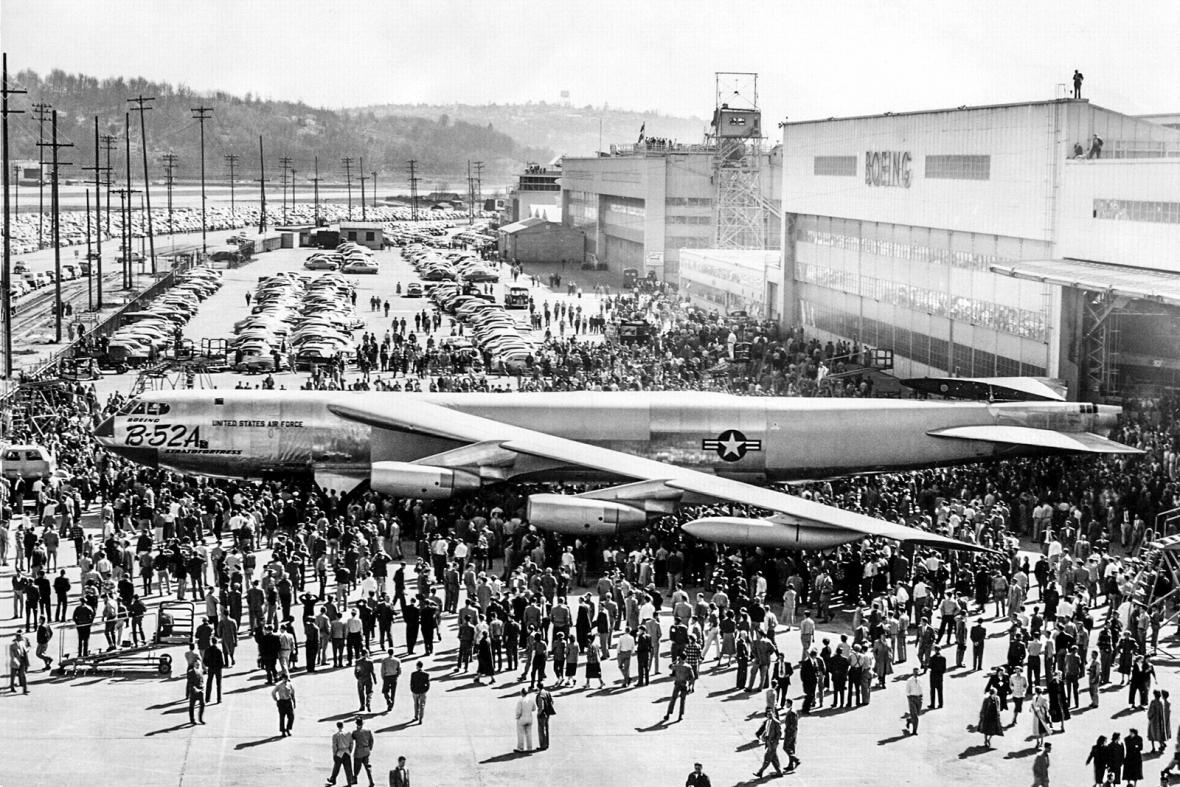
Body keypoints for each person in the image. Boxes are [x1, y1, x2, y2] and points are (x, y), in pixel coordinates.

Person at [753, 709, 783, 779]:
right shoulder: (767, 721)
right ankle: (779, 772)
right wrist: (763, 736)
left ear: (773, 714)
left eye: (770, 714)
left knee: (767, 758)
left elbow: (779, 734)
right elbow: (767, 730)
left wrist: (774, 742)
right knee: (774, 758)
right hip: (768, 742)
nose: (769, 715)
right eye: (768, 714)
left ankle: (760, 772)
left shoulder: (776, 722)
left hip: (772, 744)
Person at [663, 656, 693, 722]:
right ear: (686, 658)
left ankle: (668, 714)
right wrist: (690, 685)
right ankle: (680, 715)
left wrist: (675, 661)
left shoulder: (676, 666)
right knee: (682, 700)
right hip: (684, 684)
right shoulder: (688, 667)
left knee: (673, 699)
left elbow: (670, 666)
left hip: (677, 684)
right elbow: (692, 677)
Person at [329, 721, 354, 786]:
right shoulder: (348, 733)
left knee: (336, 767)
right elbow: (351, 743)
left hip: (339, 753)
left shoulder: (335, 735)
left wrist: (334, 754)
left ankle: (333, 779)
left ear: (337, 727)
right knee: (348, 769)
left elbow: (334, 746)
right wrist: (350, 751)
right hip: (347, 752)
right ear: (343, 726)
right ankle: (349, 783)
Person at [352, 717, 375, 787]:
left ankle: (355, 779)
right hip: (366, 751)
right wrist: (369, 748)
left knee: (356, 766)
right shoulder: (368, 731)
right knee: (367, 767)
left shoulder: (355, 732)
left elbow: (351, 739)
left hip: (359, 752)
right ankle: (371, 781)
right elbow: (371, 740)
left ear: (357, 724)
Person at [781, 698, 800, 772]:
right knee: (791, 748)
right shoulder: (791, 711)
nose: (785, 704)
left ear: (789, 703)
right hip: (792, 732)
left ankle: (796, 760)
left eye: (786, 703)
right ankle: (790, 765)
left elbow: (793, 724)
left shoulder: (792, 712)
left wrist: (789, 731)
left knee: (786, 747)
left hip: (790, 733)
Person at [535, 685, 555, 750]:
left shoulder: (540, 695)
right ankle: (547, 744)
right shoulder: (547, 692)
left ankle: (543, 745)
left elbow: (541, 706)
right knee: (546, 728)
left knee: (541, 729)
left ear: (538, 687)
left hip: (542, 714)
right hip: (548, 713)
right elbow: (552, 702)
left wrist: (539, 713)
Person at [514, 687, 534, 752]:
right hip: (529, 718)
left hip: (522, 718)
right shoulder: (531, 700)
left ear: (522, 693)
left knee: (520, 733)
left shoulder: (520, 701)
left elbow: (518, 711)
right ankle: (530, 748)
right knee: (529, 734)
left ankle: (520, 748)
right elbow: (534, 708)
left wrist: (517, 717)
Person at [904, 667, 923, 734]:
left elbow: (921, 688)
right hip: (912, 698)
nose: (916, 674)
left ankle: (909, 720)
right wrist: (909, 697)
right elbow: (907, 690)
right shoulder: (909, 680)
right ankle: (914, 731)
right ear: (913, 673)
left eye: (917, 673)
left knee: (917, 714)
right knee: (915, 716)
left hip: (919, 698)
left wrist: (921, 696)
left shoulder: (920, 680)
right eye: (915, 672)